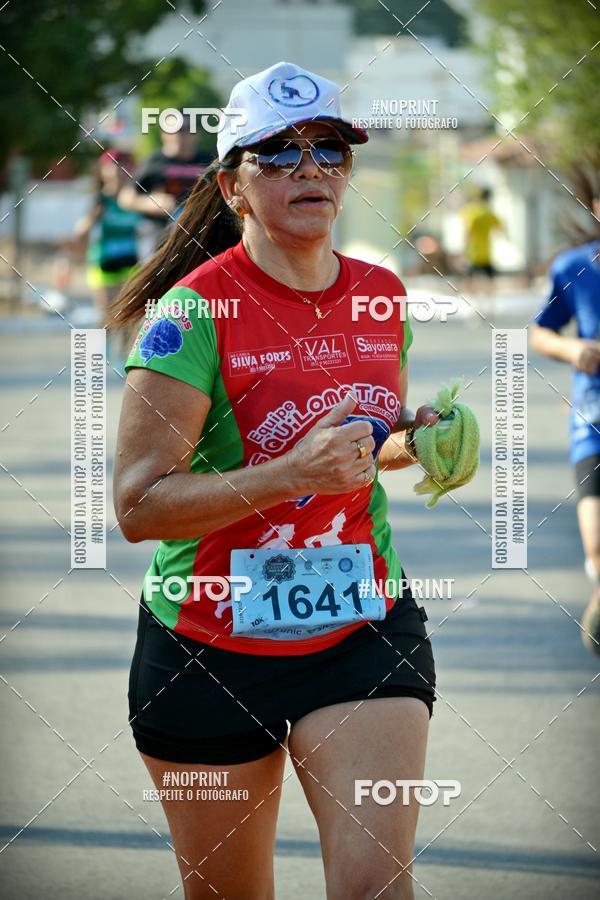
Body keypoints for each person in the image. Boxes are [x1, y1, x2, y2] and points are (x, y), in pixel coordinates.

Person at [113, 61, 442, 900]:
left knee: (377, 886)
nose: (311, 169)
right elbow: (140, 506)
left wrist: (419, 445)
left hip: (359, 625)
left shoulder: (381, 295)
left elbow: (362, 453)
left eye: (329, 149)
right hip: (208, 648)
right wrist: (287, 474)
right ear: (232, 185)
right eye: (279, 153)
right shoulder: (191, 314)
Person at [530, 198, 600, 656]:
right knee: (597, 548)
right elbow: (539, 331)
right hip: (593, 421)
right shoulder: (577, 267)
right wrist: (573, 351)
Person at [118, 111, 213, 260]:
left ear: (196, 134)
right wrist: (151, 203)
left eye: (186, 128)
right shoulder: (153, 161)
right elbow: (125, 198)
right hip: (158, 237)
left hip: (198, 236)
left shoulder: (209, 160)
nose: (180, 134)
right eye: (174, 128)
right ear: (164, 133)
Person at [74, 149, 140, 344]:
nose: (118, 172)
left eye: (123, 166)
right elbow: (80, 231)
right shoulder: (100, 199)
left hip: (130, 263)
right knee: (106, 317)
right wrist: (92, 218)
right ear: (104, 172)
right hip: (103, 263)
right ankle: (95, 363)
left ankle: (126, 364)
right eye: (113, 167)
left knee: (130, 316)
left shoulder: (135, 199)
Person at [460, 186, 504, 295]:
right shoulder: (488, 213)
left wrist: (464, 247)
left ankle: (469, 296)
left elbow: (468, 231)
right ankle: (490, 299)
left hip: (474, 251)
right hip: (486, 252)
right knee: (490, 278)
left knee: (469, 276)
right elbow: (500, 227)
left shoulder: (471, 211)